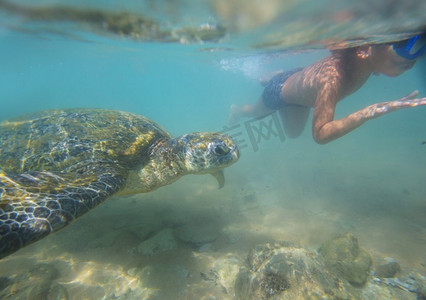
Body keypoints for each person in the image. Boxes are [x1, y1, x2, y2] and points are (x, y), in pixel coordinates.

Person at [228, 34, 426, 144]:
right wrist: (368, 112)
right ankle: (237, 109)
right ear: (366, 49)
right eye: (398, 61)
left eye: (411, 63)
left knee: (294, 132)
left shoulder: (369, 65)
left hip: (300, 84)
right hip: (279, 93)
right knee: (256, 113)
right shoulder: (333, 79)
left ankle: (279, 77)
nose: (410, 65)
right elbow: (320, 134)